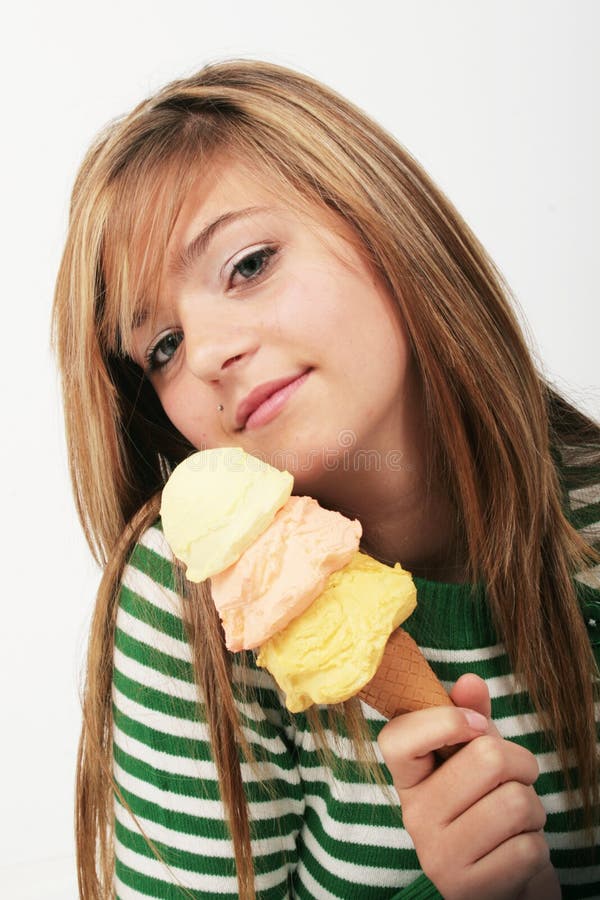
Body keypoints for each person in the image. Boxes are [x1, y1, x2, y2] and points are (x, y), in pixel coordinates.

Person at [51, 59, 600, 899]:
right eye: (160, 348)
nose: (203, 355)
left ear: (385, 224)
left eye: (248, 264)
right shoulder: (196, 602)